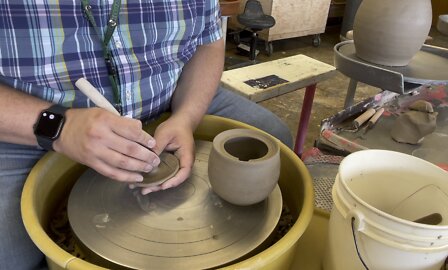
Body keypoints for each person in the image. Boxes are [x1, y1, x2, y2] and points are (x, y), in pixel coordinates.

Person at [0, 1, 292, 269]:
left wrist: (187, 117)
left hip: (170, 96)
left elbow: (208, 40)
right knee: (8, 256)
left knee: (275, 140)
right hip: (38, 121)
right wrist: (60, 127)